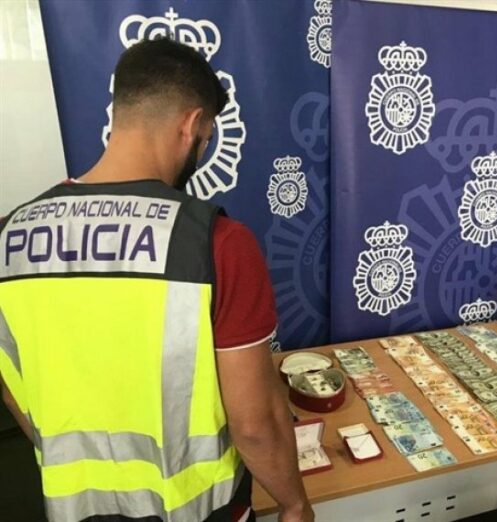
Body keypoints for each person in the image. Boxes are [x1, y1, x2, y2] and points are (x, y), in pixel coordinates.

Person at [0, 37, 313, 522]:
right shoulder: (216, 243)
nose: (202, 149)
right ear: (191, 125)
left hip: (72, 509)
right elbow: (255, 423)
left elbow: (13, 388)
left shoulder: (9, 238)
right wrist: (294, 505)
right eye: (206, 138)